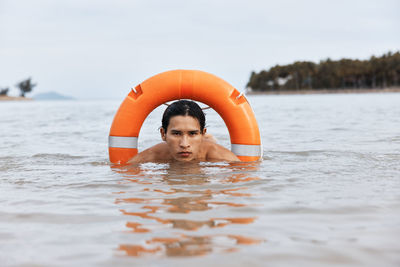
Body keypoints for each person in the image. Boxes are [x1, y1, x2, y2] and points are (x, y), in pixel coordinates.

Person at [128, 100, 239, 164]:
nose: (184, 144)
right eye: (176, 133)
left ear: (202, 134)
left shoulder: (218, 156)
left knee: (212, 141)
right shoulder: (153, 155)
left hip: (208, 145)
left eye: (192, 133)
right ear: (163, 134)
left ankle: (208, 138)